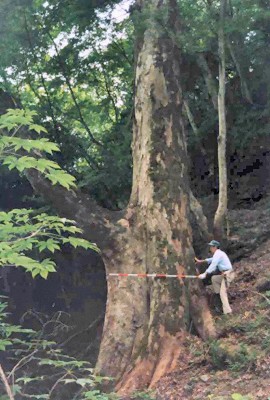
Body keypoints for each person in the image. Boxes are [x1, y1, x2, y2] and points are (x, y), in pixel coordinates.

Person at [195, 240, 235, 314]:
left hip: (228, 274)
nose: (210, 248)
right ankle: (218, 296)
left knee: (223, 293)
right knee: (214, 279)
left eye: (211, 246)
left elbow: (213, 264)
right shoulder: (218, 254)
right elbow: (212, 260)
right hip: (224, 274)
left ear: (215, 247)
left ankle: (228, 312)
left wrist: (205, 274)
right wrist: (201, 261)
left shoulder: (218, 254)